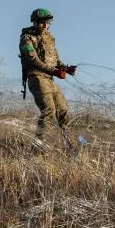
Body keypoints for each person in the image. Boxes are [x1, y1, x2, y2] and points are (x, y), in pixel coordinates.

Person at [19, 9, 76, 137]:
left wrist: (66, 68)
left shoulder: (49, 37)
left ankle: (70, 143)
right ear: (34, 22)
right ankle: (39, 146)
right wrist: (55, 71)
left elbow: (55, 58)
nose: (46, 26)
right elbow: (33, 60)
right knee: (49, 111)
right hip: (37, 77)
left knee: (63, 111)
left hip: (50, 78)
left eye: (48, 23)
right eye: (42, 23)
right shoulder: (27, 38)